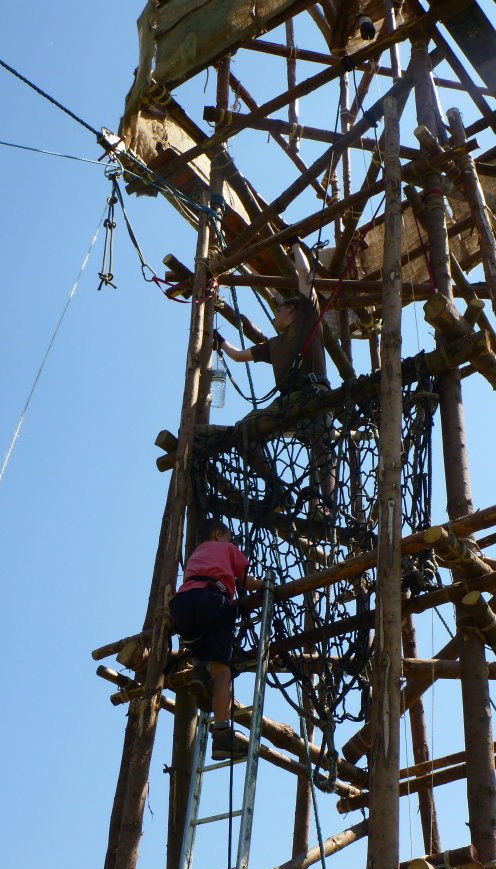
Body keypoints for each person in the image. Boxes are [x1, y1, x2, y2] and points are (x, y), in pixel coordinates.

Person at [214, 241, 336, 517]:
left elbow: (305, 279)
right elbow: (238, 355)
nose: (274, 313)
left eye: (279, 309)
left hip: (313, 393)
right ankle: (277, 490)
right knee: (246, 432)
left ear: (292, 310)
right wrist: (220, 342)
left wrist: (295, 246)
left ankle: (324, 505)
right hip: (287, 403)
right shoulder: (273, 345)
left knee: (321, 443)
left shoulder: (307, 318)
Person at [169, 517, 264, 760]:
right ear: (219, 534)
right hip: (212, 600)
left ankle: (199, 673)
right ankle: (222, 736)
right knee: (222, 672)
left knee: (197, 643)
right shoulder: (227, 549)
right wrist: (267, 584)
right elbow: (246, 582)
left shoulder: (195, 556)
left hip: (181, 605)